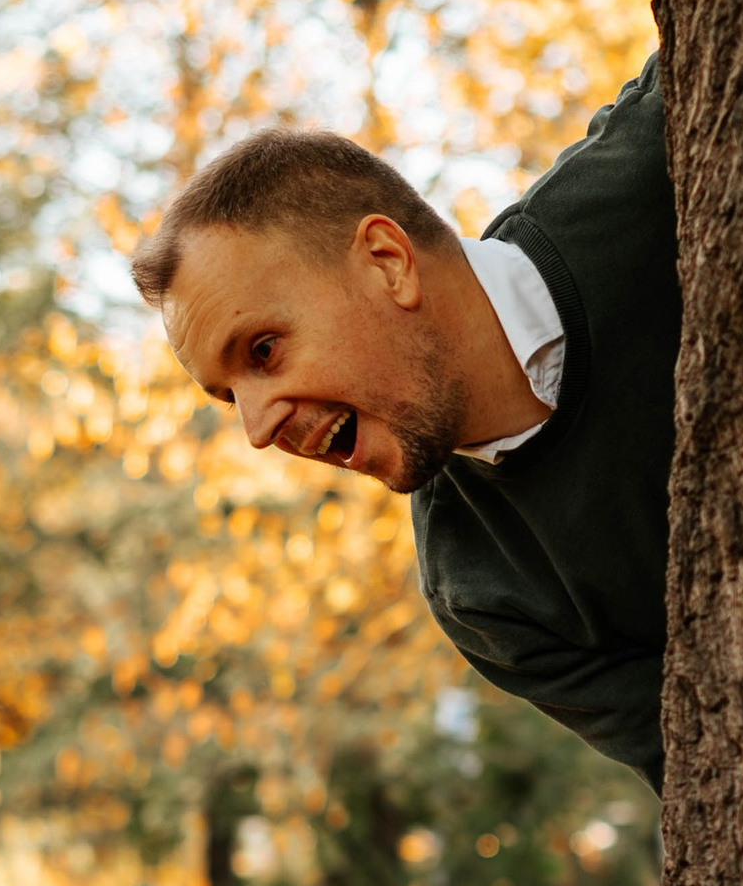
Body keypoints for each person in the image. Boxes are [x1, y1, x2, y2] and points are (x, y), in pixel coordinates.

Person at [131, 59, 675, 789]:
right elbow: (729, 779)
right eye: (231, 398)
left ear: (387, 262)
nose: (257, 432)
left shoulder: (657, 159)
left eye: (264, 351)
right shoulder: (482, 591)